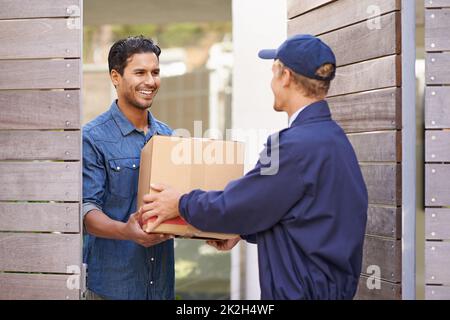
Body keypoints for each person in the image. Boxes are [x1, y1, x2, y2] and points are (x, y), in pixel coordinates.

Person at [139, 34, 368, 300]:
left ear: (285, 76)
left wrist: (180, 203)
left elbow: (239, 204)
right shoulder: (333, 139)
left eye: (273, 72)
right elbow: (302, 217)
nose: (271, 83)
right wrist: (241, 229)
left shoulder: (295, 146)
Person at [82, 36, 174, 300]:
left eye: (155, 72)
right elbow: (87, 211)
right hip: (113, 288)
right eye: (140, 72)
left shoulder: (167, 135)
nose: (150, 81)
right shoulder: (92, 137)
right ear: (115, 76)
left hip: (161, 288)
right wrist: (126, 231)